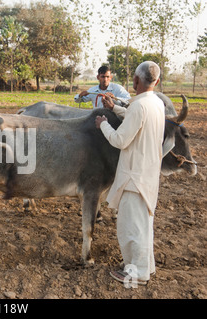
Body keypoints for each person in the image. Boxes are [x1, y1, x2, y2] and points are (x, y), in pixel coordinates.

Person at [95, 61, 164, 286]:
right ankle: (146, 267)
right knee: (143, 225)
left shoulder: (139, 106)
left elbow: (120, 139)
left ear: (135, 81)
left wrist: (103, 123)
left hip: (134, 175)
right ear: (157, 81)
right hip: (149, 173)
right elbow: (136, 120)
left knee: (130, 228)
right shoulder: (156, 103)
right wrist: (115, 108)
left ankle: (136, 274)